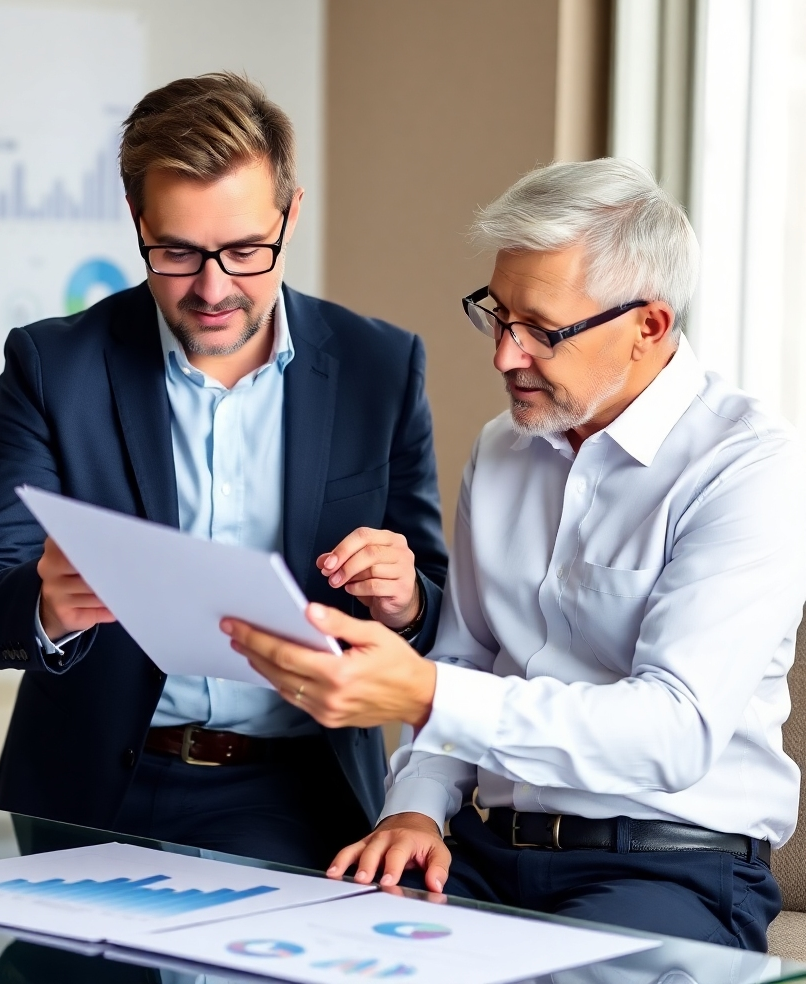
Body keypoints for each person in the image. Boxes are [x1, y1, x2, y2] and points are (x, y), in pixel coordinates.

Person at [224, 157, 805, 949]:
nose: (504, 355)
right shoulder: (505, 449)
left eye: (540, 330)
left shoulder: (748, 468)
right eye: (497, 316)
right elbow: (469, 657)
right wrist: (415, 808)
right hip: (482, 852)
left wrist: (424, 692)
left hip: (666, 869)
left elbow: (673, 731)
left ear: (649, 327)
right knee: (277, 952)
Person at [0, 72, 447, 870]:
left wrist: (407, 596)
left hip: (299, 793)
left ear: (291, 215)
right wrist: (47, 605)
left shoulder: (378, 367)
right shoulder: (56, 364)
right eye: (176, 253)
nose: (213, 290)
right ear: (138, 222)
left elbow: (443, 617)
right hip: (93, 788)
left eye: (246, 251)